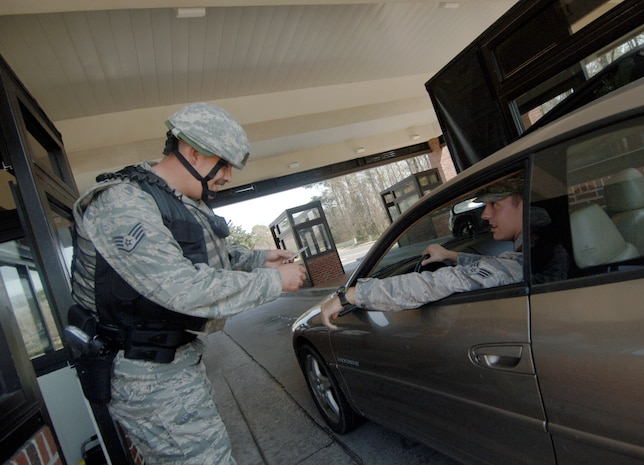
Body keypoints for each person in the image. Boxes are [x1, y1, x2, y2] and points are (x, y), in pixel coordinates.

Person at [70, 102, 307, 465]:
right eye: (224, 163)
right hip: (147, 374)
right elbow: (181, 287)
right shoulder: (123, 204)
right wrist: (273, 281)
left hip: (171, 362)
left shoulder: (175, 201)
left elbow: (206, 258)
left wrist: (259, 258)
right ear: (193, 152)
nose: (228, 176)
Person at [321, 173, 528, 330]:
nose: (485, 214)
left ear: (524, 204)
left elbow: (432, 284)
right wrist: (451, 256)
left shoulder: (521, 264)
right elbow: (494, 266)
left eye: (495, 204)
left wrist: (350, 295)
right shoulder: (533, 253)